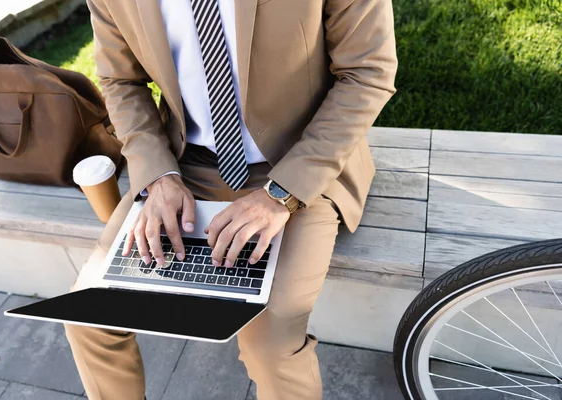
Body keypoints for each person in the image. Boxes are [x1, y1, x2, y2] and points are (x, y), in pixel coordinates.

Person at [64, 0, 397, 399]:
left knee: (269, 345)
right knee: (88, 320)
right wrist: (157, 175)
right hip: (182, 164)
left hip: (299, 161)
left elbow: (367, 72)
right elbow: (121, 82)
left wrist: (283, 192)